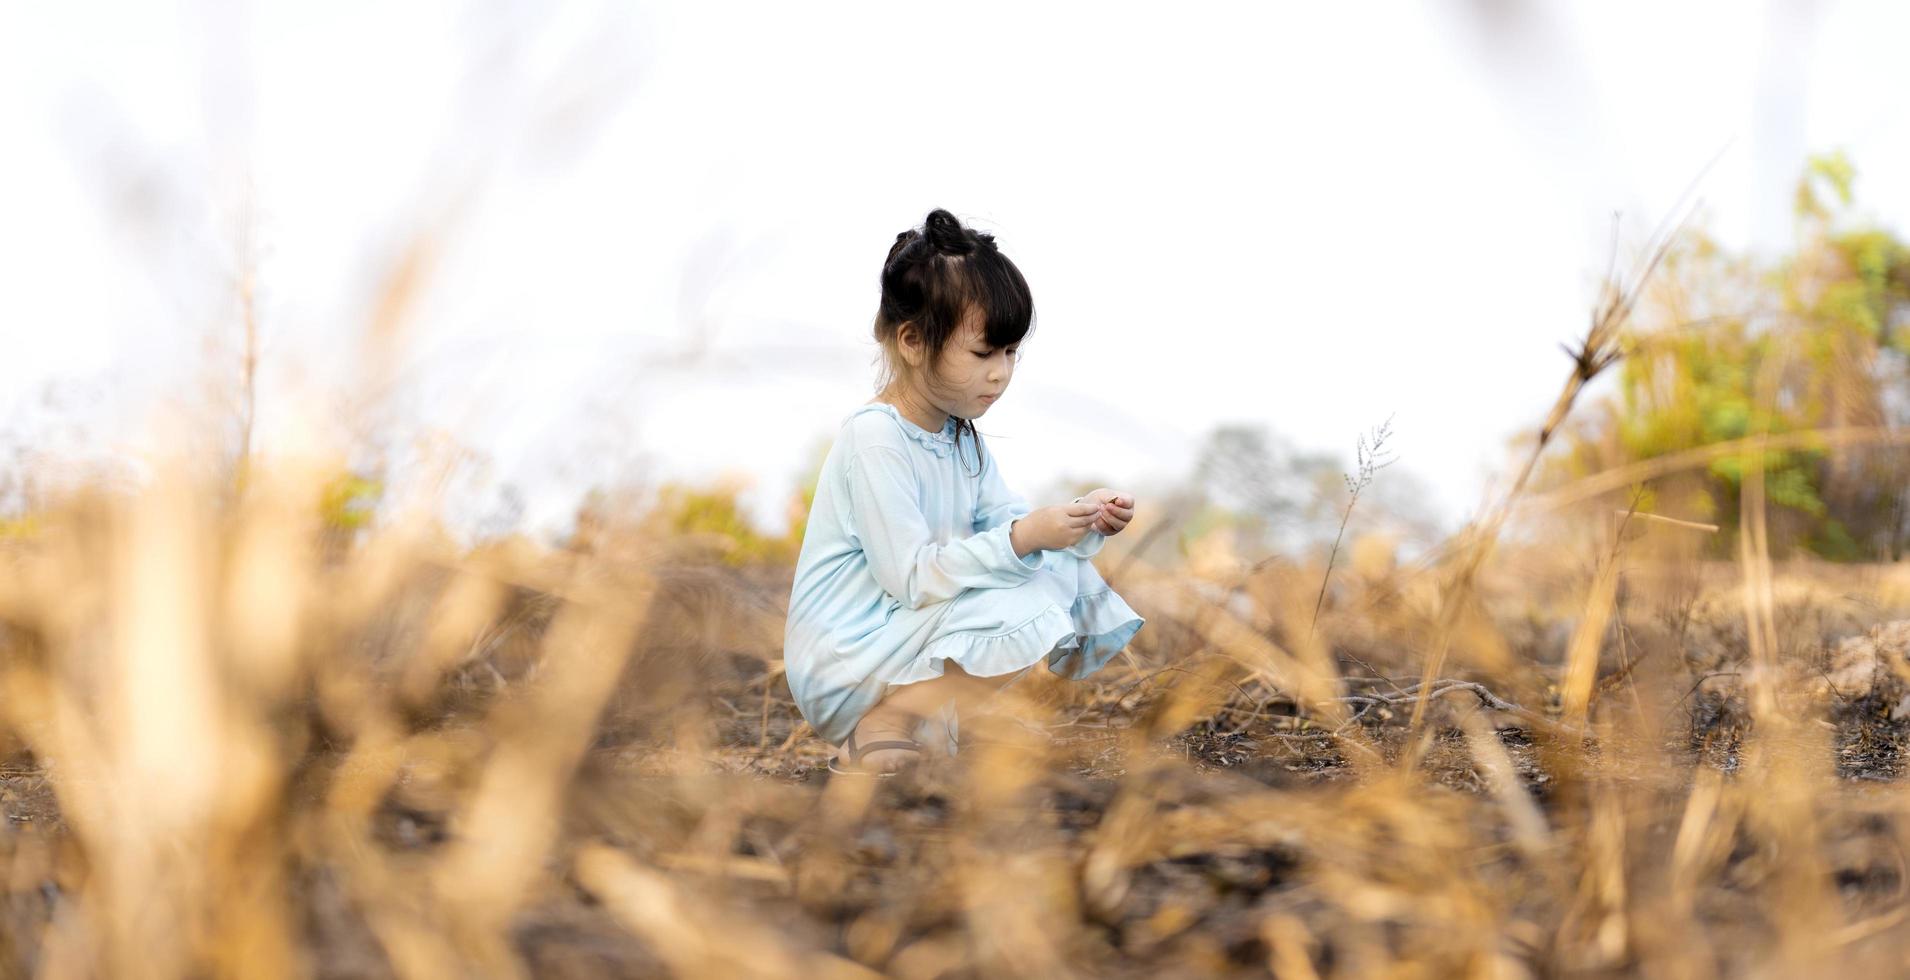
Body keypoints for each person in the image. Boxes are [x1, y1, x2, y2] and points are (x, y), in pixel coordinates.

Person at [783, 208, 1146, 775]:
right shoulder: (877, 438)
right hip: (848, 654)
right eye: (983, 353)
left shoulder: (959, 439)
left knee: (1058, 571)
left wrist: (1076, 519)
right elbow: (913, 577)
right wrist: (1024, 537)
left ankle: (913, 723)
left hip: (902, 635)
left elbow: (1007, 520)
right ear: (911, 341)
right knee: (1025, 592)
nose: (1001, 374)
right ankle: (884, 722)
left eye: (1010, 353)